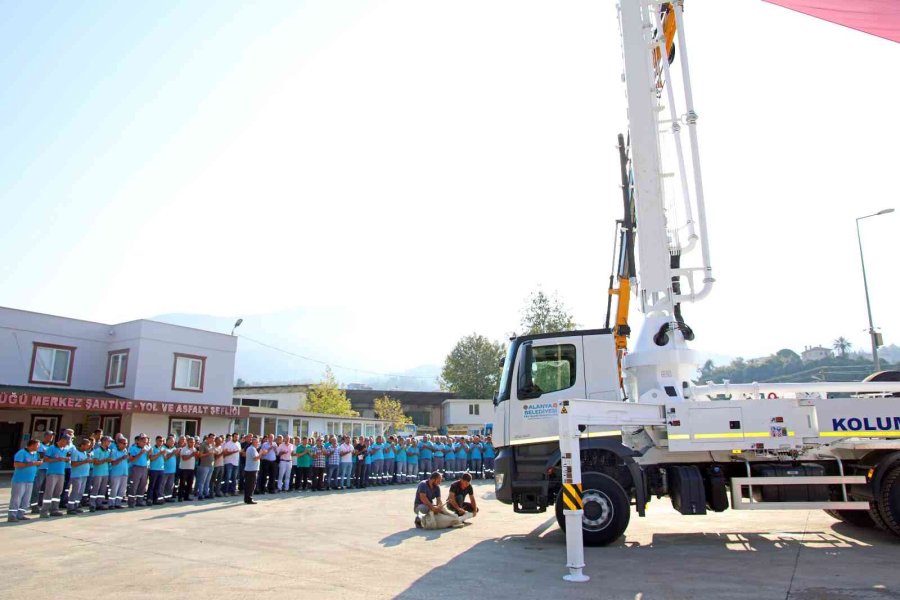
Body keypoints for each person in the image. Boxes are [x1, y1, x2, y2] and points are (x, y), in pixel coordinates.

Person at [10, 439, 42, 522]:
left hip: (30, 480)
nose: (39, 447)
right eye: (37, 445)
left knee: (26, 499)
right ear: (31, 445)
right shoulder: (21, 453)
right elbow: (16, 464)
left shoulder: (36, 454)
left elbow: (35, 464)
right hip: (19, 480)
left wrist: (38, 463)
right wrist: (33, 463)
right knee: (16, 498)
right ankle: (12, 516)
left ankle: (20, 514)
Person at [40, 434, 72, 518]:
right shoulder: (52, 448)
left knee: (58, 492)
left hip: (61, 473)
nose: (67, 444)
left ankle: (54, 509)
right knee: (49, 492)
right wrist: (58, 459)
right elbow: (45, 459)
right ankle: (44, 511)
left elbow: (66, 459)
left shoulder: (65, 449)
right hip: (52, 473)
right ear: (62, 440)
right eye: (67, 442)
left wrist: (66, 460)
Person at [29, 430, 54, 514]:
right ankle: (34, 506)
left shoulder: (51, 446)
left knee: (45, 489)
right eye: (50, 436)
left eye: (52, 436)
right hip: (40, 469)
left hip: (49, 469)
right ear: (45, 436)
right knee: (36, 488)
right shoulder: (41, 446)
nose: (51, 437)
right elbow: (42, 457)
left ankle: (41, 503)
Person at [67, 437, 93, 514]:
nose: (89, 447)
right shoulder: (75, 452)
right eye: (88, 445)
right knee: (75, 491)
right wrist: (84, 461)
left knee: (80, 492)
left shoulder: (85, 453)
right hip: (77, 475)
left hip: (84, 475)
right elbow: (73, 464)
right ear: (82, 445)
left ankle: (76, 505)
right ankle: (70, 508)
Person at [89, 436, 112, 511]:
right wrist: (106, 460)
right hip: (98, 473)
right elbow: (95, 462)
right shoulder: (97, 450)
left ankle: (99, 504)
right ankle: (92, 504)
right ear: (104, 441)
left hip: (105, 473)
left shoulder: (108, 451)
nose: (110, 443)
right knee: (95, 489)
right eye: (109, 441)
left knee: (102, 489)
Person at [108, 438, 130, 509]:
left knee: (122, 489)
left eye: (126, 443)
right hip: (116, 473)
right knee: (114, 489)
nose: (125, 445)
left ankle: (118, 503)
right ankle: (111, 504)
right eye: (124, 443)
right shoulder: (114, 451)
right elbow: (113, 463)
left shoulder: (125, 451)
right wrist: (122, 458)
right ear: (119, 444)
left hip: (124, 473)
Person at [147, 435, 166, 505]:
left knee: (158, 486)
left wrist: (163, 454)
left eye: (162, 441)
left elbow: (165, 458)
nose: (161, 442)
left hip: (161, 469)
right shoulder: (152, 448)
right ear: (156, 441)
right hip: (154, 469)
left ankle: (156, 499)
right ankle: (149, 499)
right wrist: (160, 453)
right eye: (160, 441)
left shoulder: (163, 448)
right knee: (152, 485)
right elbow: (151, 459)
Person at [242, 436, 261, 504]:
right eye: (257, 442)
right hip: (251, 470)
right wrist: (261, 453)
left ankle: (247, 499)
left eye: (258, 442)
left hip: (251, 469)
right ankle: (249, 499)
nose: (258, 443)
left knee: (249, 485)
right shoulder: (252, 449)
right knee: (251, 485)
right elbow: (255, 458)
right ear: (254, 442)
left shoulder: (252, 449)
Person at [177, 437, 197, 501]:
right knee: (182, 484)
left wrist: (196, 455)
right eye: (191, 442)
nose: (193, 443)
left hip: (191, 469)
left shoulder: (194, 449)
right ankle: (180, 497)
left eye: (194, 442)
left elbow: (195, 458)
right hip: (184, 469)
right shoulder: (184, 449)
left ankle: (187, 496)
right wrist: (191, 455)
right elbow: (184, 458)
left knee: (190, 484)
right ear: (188, 442)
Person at [161, 435, 178, 502]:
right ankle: (161, 497)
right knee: (163, 485)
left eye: (173, 442)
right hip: (165, 470)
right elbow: (165, 458)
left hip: (172, 470)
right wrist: (173, 453)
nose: (173, 443)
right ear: (167, 441)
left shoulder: (174, 447)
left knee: (170, 485)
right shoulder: (163, 448)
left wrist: (176, 453)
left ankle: (168, 497)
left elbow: (175, 456)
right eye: (171, 441)